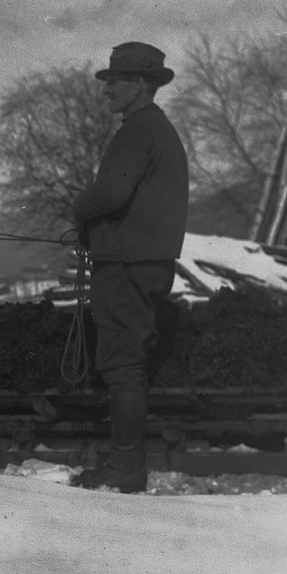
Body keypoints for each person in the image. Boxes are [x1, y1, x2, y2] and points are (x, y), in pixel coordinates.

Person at [70, 41, 189, 494]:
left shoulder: (137, 131)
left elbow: (110, 195)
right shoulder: (159, 131)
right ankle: (125, 462)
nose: (107, 91)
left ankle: (125, 468)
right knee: (131, 364)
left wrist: (78, 209)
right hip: (149, 263)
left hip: (125, 267)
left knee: (122, 367)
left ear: (139, 86)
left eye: (114, 82)